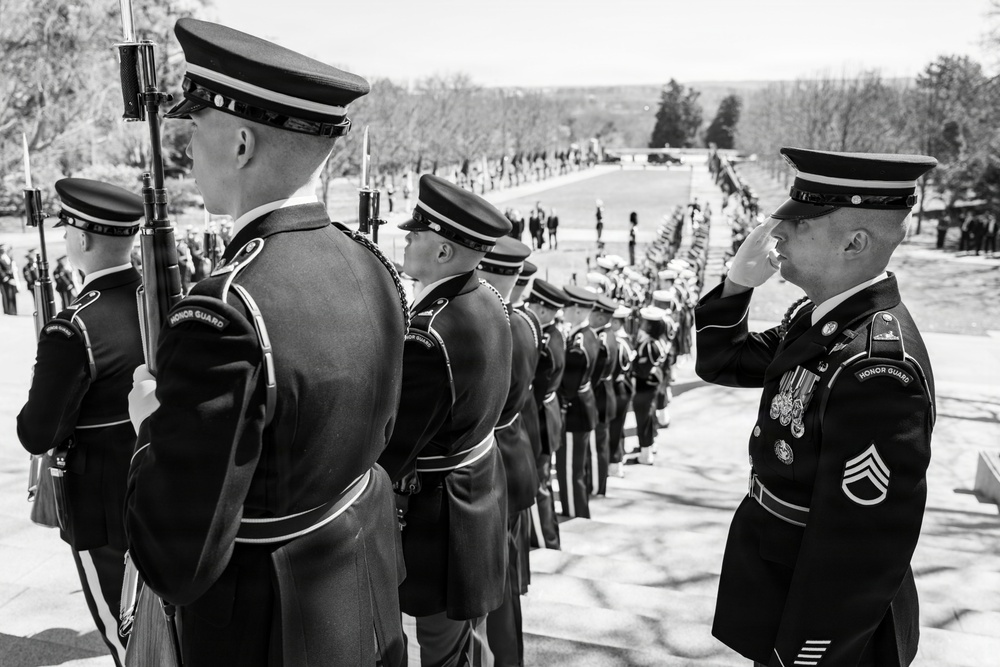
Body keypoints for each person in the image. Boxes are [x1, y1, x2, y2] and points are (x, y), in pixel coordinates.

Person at [124, 18, 407, 666]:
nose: (187, 152)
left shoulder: (224, 312)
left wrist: (150, 432)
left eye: (195, 130)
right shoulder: (369, 262)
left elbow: (178, 560)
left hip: (270, 628)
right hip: (360, 597)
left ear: (242, 144)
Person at [695, 147, 937, 667]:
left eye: (798, 222)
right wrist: (737, 285)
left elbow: (863, 549)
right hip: (780, 577)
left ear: (855, 242)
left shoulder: (876, 368)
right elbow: (723, 361)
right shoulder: (820, 318)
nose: (776, 234)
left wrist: (805, 655)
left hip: (827, 631)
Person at [377, 174, 512, 667]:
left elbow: (392, 445)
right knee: (462, 644)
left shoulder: (429, 332)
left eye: (416, 234)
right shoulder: (487, 298)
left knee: (443, 649)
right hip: (477, 487)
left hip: (443, 511)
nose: (406, 239)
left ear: (441, 254)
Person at [17, 178, 145, 666]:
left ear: (83, 238)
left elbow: (37, 432)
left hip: (103, 507)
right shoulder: (166, 299)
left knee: (124, 630)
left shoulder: (73, 326)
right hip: (165, 484)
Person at [477, 237, 539, 667]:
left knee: (488, 587)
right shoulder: (525, 322)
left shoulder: (491, 324)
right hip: (515, 453)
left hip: (493, 462)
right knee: (506, 581)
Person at [524, 279, 568, 549]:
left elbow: (537, 387)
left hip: (539, 417)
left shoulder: (546, 341)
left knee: (539, 482)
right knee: (543, 480)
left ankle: (545, 539)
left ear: (542, 310)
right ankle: (548, 536)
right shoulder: (556, 335)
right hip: (548, 413)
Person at [555, 285, 599, 518]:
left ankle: (574, 513)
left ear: (580, 311)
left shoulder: (578, 346)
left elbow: (567, 387)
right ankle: (577, 509)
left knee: (570, 469)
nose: (565, 310)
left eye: (569, 306)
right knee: (575, 468)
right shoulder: (588, 336)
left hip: (575, 411)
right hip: (584, 405)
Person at [588, 295, 619, 497]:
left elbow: (592, 377)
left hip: (599, 397)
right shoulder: (608, 335)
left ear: (600, 317)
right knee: (599, 443)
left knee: (598, 446)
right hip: (605, 394)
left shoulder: (601, 342)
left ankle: (597, 486)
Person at [632, 306, 669, 465]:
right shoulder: (656, 340)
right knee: (649, 416)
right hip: (652, 385)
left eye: (644, 321)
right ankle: (649, 445)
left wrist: (632, 363)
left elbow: (642, 370)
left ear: (650, 326)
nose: (640, 322)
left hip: (646, 386)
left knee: (644, 419)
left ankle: (645, 454)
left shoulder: (649, 345)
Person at [0, 243, 19, 315]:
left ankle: (13, 311)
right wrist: (5, 277)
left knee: (12, 295)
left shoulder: (8, 257)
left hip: (11, 279)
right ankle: (7, 310)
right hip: (4, 280)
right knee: (5, 295)